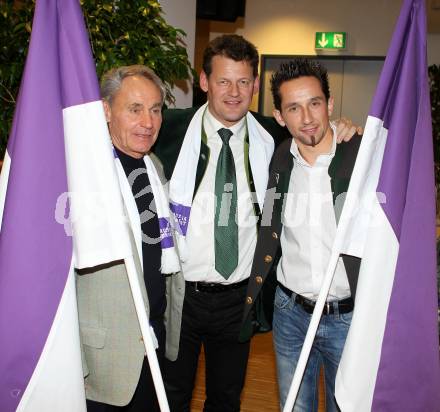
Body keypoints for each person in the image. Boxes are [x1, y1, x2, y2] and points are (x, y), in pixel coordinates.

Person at [154, 35, 359, 412]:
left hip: (239, 299)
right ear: (203, 82)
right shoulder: (167, 130)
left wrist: (346, 128)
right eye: (223, 81)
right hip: (180, 295)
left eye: (244, 82)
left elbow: (314, 129)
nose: (234, 92)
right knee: (172, 396)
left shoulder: (275, 136)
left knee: (227, 398)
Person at [241, 58, 362, 411]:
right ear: (279, 116)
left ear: (331, 105)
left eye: (315, 103)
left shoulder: (360, 154)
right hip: (290, 314)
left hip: (348, 316)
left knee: (349, 406)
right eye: (294, 108)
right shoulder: (279, 160)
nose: (307, 117)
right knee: (294, 407)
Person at [76, 65, 184, 412]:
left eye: (155, 109)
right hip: (101, 360)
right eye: (134, 109)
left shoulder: (155, 169)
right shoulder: (82, 174)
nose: (148, 122)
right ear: (106, 110)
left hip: (151, 343)